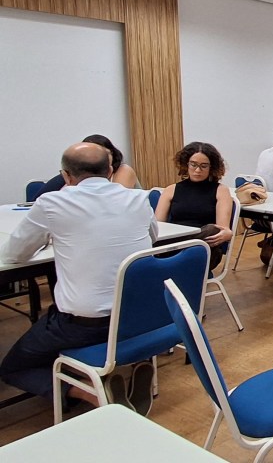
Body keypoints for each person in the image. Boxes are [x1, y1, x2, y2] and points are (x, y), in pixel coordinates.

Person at [0, 143, 157, 407]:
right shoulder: (138, 198)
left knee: (12, 368)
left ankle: (92, 394)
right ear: (109, 170)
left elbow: (14, 255)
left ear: (66, 176)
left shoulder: (53, 202)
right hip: (141, 317)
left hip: (84, 326)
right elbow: (152, 240)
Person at [155, 142, 234, 270]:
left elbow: (222, 229)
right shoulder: (171, 189)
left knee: (212, 229)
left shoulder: (221, 190)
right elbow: (158, 226)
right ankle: (178, 248)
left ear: (211, 168)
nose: (198, 170)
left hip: (202, 247)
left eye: (204, 166)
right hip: (174, 242)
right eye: (193, 165)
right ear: (186, 164)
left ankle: (183, 247)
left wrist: (227, 233)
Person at [34, 134, 139, 197]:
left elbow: (114, 201)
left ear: (113, 153)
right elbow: (38, 199)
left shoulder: (123, 170)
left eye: (104, 153)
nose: (96, 157)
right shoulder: (73, 175)